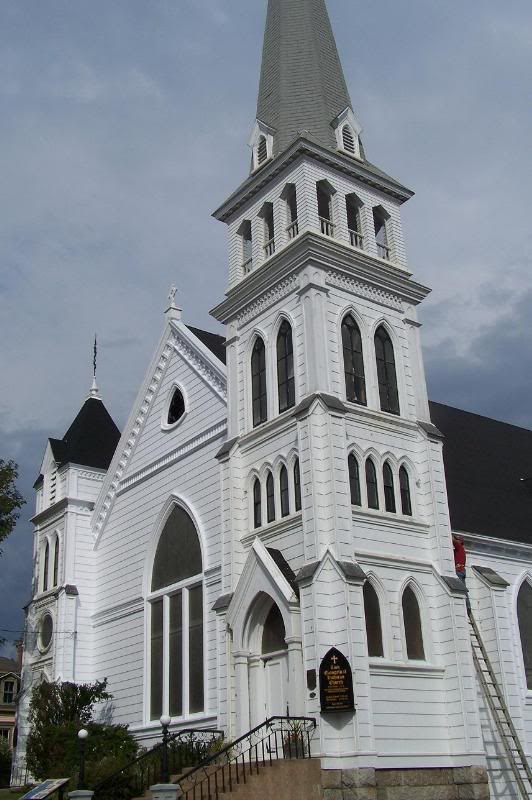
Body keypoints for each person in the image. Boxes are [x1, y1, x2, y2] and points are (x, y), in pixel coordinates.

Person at [452, 534, 470, 612]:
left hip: (459, 570)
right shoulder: (461, 550)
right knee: (464, 589)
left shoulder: (459, 547)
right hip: (462, 570)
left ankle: (466, 606)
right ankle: (468, 606)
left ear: (460, 541)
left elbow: (453, 541)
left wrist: (447, 532)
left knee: (460, 589)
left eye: (457, 540)